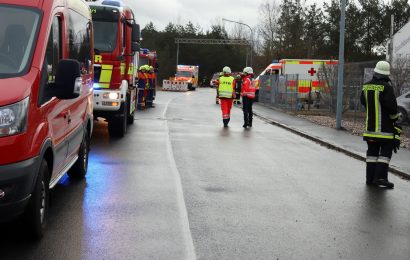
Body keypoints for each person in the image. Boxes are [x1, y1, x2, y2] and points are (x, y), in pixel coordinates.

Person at [360, 61, 401, 188]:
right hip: (385, 130)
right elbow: (392, 109)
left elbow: (363, 102)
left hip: (370, 129)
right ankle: (380, 178)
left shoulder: (365, 86)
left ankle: (370, 179)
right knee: (385, 153)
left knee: (372, 153)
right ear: (386, 74)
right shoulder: (386, 88)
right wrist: (396, 120)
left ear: (375, 72)